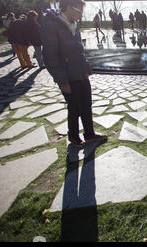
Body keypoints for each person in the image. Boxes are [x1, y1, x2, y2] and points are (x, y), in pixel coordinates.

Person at [40, 0, 107, 146]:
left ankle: (89, 133)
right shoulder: (51, 26)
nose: (81, 15)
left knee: (86, 104)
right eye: (80, 11)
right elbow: (50, 57)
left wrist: (86, 68)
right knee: (74, 107)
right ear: (69, 8)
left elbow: (79, 50)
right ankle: (73, 135)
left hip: (81, 73)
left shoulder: (73, 25)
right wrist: (61, 80)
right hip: (68, 77)